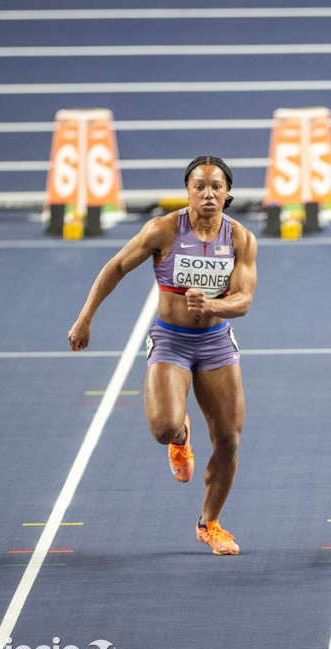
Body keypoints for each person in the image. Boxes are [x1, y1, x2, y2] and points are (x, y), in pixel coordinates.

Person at [68, 155, 257, 555]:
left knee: (229, 441)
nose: (208, 194)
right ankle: (181, 435)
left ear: (227, 193)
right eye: (199, 186)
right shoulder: (164, 230)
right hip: (171, 340)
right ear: (188, 191)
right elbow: (117, 266)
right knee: (163, 429)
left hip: (216, 342)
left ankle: (210, 524)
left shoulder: (239, 238)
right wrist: (85, 318)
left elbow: (242, 301)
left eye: (216, 187)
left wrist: (211, 306)